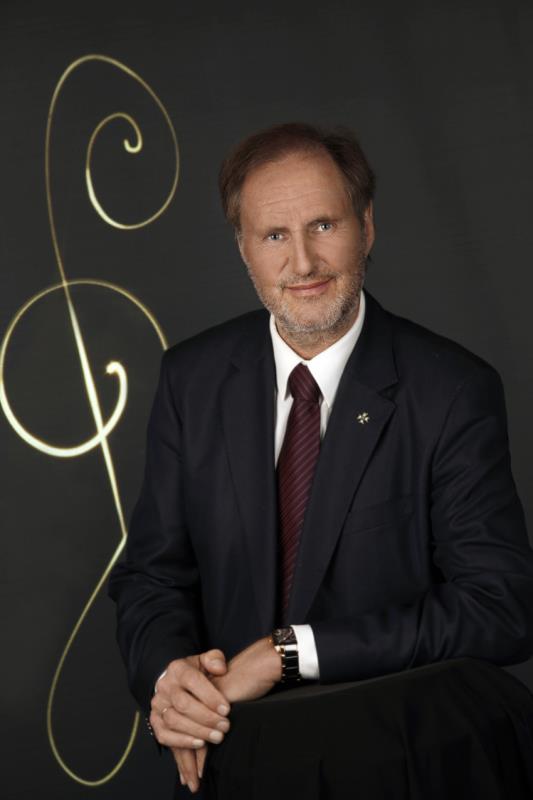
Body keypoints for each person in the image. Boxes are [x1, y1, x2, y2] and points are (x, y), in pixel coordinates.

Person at [108, 122, 533, 797]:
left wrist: (288, 653)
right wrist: (172, 681)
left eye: (323, 226)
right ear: (243, 249)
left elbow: (500, 607)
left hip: (404, 763)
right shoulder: (192, 378)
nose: (302, 262)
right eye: (274, 236)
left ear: (366, 226)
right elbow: (153, 576)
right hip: (240, 761)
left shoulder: (451, 389)